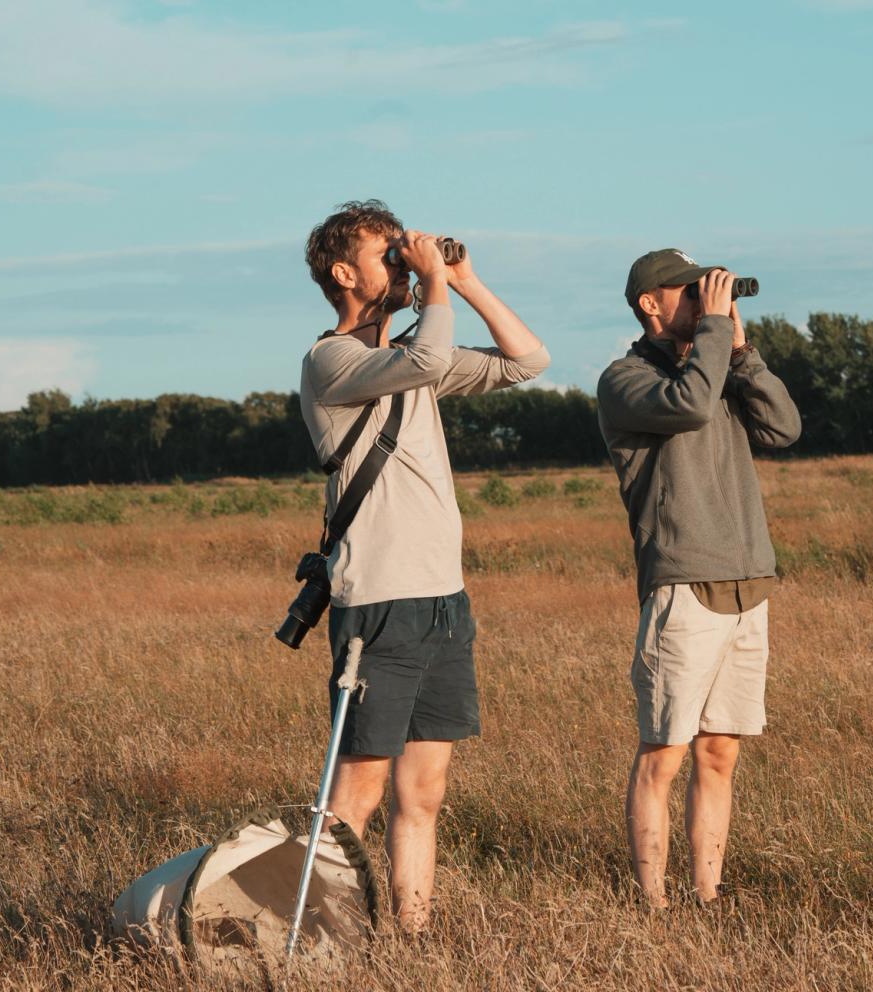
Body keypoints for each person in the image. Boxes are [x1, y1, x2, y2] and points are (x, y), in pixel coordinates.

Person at [298, 200, 549, 931]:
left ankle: (413, 930)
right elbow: (430, 358)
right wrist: (433, 281)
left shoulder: (408, 363)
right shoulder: (332, 361)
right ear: (345, 273)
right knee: (359, 791)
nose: (406, 264)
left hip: (443, 599)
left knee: (425, 790)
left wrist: (463, 281)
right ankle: (322, 931)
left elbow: (527, 360)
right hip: (378, 599)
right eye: (390, 254)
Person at [595, 248, 801, 908]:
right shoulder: (624, 379)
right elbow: (686, 406)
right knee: (665, 755)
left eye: (705, 292)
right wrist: (715, 335)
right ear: (649, 304)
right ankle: (653, 904)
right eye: (689, 293)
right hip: (683, 587)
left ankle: (707, 897)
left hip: (748, 584)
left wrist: (742, 352)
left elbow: (785, 428)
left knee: (719, 755)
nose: (704, 302)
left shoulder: (719, 368)